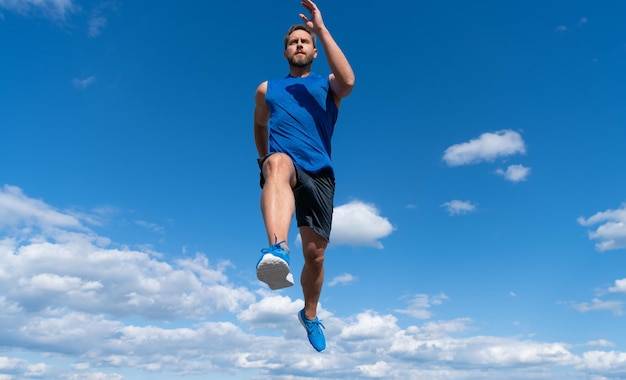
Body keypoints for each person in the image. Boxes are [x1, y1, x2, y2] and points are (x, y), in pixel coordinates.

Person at [253, 0, 355, 352]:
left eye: (304, 41)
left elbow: (349, 81)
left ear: (313, 50)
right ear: (285, 52)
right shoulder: (268, 89)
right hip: (286, 167)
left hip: (320, 173)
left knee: (315, 257)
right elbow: (259, 123)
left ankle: (309, 314)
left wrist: (320, 28)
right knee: (278, 162)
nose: (299, 45)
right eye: (293, 42)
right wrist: (264, 158)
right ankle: (277, 250)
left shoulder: (327, 86)